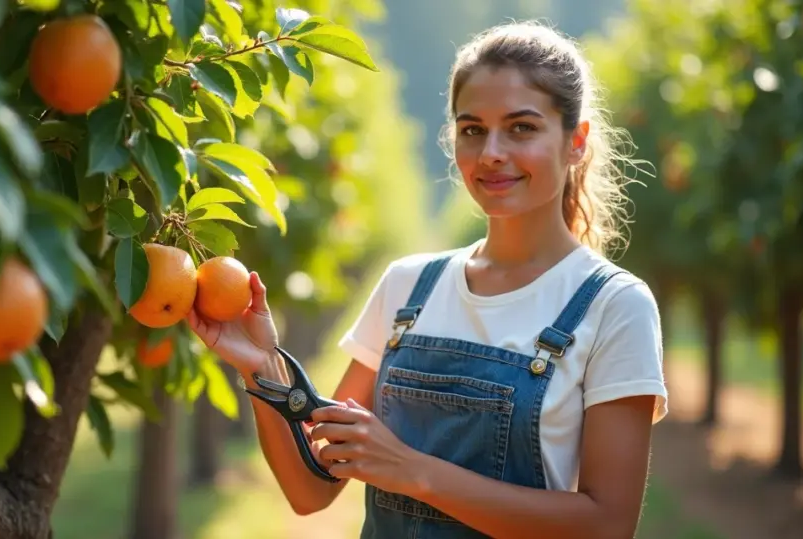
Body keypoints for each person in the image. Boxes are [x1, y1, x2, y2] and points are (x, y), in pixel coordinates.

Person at [187, 19, 668, 539]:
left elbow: (606, 525)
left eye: (522, 127)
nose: (491, 154)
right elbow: (313, 490)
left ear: (575, 142)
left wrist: (414, 472)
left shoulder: (613, 305)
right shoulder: (407, 287)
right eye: (472, 129)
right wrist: (263, 371)